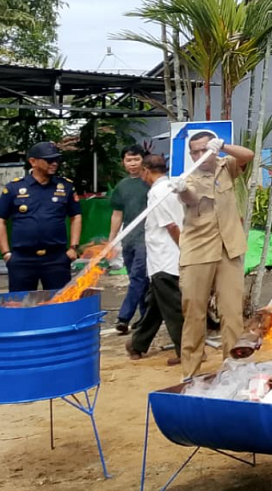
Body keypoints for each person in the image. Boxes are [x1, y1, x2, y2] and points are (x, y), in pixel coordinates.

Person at [174, 132, 254, 380]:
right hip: (198, 251)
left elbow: (248, 156)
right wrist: (181, 189)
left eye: (204, 149)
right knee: (194, 311)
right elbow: (190, 198)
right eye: (195, 152)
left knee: (231, 312)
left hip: (229, 248)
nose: (200, 155)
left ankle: (235, 370)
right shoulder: (188, 177)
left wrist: (224, 146)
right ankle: (190, 371)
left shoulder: (225, 166)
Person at [0, 142, 82, 292]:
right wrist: (6, 254)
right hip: (23, 259)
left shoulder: (65, 187)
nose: (54, 163)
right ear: (33, 161)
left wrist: (73, 247)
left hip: (56, 259)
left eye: (57, 160)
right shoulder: (14, 188)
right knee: (21, 305)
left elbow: (76, 217)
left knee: (58, 303)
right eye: (49, 160)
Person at [126, 155, 186, 366]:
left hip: (165, 257)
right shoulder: (171, 187)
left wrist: (183, 250)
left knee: (171, 307)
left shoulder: (157, 192)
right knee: (161, 304)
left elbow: (171, 225)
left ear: (146, 171)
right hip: (166, 257)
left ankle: (185, 350)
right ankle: (138, 343)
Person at [110, 144, 151, 334]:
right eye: (129, 160)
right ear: (123, 163)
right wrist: (112, 241)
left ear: (144, 160)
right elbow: (117, 214)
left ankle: (124, 317)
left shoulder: (151, 182)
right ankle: (144, 318)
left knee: (137, 277)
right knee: (138, 280)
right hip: (129, 239)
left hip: (148, 238)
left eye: (136, 159)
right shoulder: (122, 186)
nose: (133, 163)